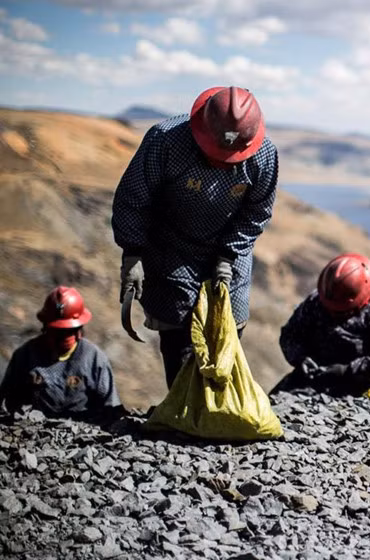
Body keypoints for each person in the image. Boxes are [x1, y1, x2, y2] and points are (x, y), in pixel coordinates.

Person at [111, 86, 278, 388]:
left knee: (228, 326)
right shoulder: (165, 140)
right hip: (170, 248)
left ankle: (218, 409)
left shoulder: (264, 155)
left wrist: (228, 255)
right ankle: (183, 411)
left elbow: (256, 212)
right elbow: (133, 199)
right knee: (177, 331)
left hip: (229, 251)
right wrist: (132, 252)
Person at [272, 253, 370, 397]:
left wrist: (346, 371)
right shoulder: (315, 302)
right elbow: (290, 335)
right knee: (271, 403)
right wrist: (300, 359)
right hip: (317, 377)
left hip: (369, 382)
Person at [0, 287, 121, 417]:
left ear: (79, 330)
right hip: (33, 429)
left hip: (82, 429)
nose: (62, 337)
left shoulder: (94, 358)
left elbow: (111, 406)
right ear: (45, 327)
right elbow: (6, 401)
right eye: (56, 332)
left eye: (68, 332)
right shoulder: (25, 355)